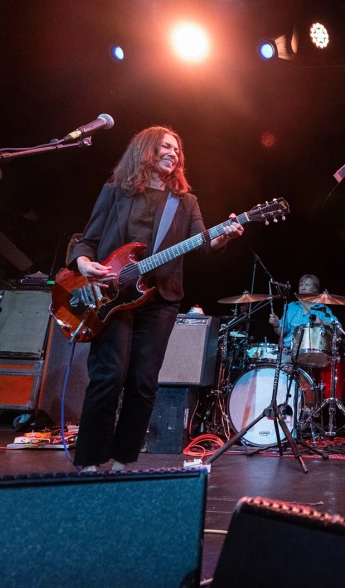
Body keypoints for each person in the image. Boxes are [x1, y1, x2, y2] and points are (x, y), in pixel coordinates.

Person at [69, 126, 244, 472]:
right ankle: (89, 461)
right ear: (146, 150)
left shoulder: (186, 202)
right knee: (110, 376)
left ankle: (123, 460)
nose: (174, 153)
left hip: (161, 297)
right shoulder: (115, 192)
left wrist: (223, 237)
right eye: (166, 146)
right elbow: (86, 240)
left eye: (178, 150)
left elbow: (204, 243)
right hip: (112, 295)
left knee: (144, 382)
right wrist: (85, 264)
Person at [269, 274, 338, 348]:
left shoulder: (322, 309)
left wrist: (322, 322)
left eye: (307, 285)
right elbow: (281, 333)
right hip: (289, 350)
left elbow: (339, 330)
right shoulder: (291, 306)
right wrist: (276, 325)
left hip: (312, 351)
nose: (303, 287)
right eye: (301, 285)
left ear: (315, 289)